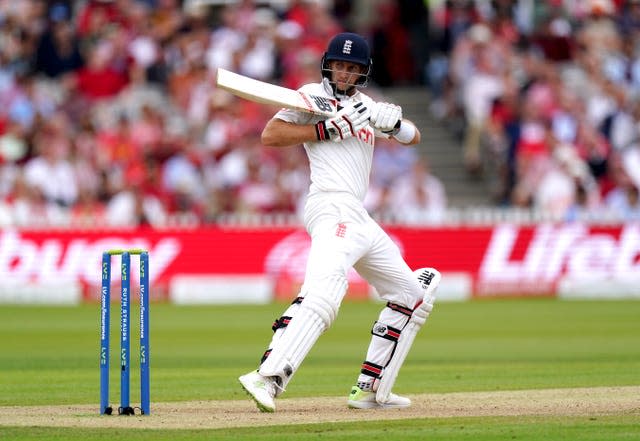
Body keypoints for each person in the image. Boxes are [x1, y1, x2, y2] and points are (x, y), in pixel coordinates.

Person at [238, 32, 441, 412]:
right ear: (328, 65)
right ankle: (267, 376)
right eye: (339, 65)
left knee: (412, 296)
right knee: (326, 291)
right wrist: (326, 129)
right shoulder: (311, 96)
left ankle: (370, 389)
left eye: (352, 68)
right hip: (329, 205)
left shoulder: (366, 105)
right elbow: (271, 135)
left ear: (362, 72)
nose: (343, 73)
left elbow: (415, 137)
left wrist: (395, 124)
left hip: (359, 215)